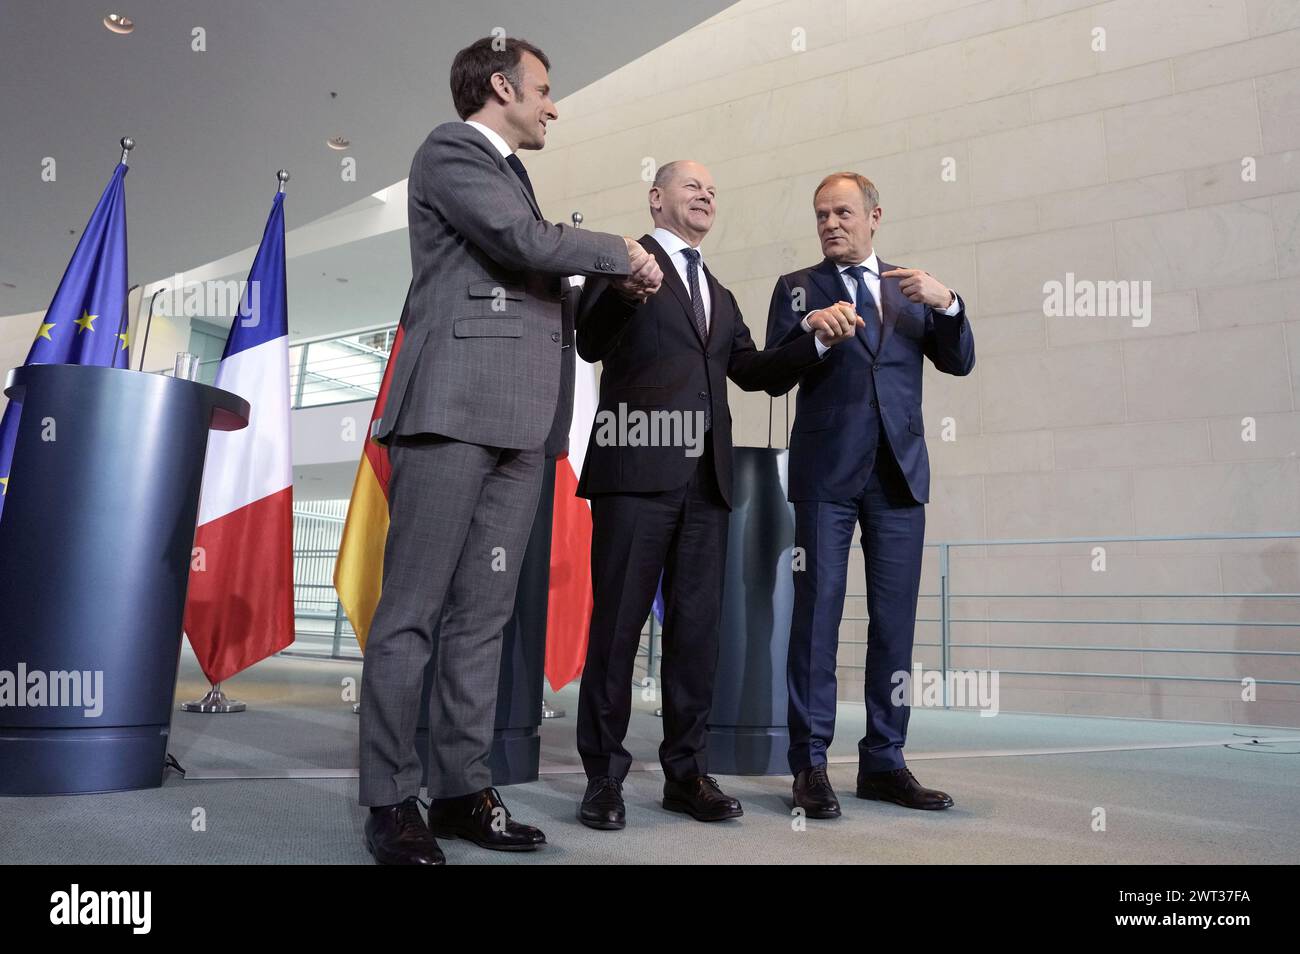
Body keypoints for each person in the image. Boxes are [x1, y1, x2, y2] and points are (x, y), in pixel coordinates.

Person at [358, 36, 663, 865]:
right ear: (501, 86)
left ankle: (460, 789)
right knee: (411, 615)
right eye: (544, 89)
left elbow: (531, 264)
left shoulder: (514, 178)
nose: (552, 105)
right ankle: (390, 800)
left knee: (482, 622)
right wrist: (620, 253)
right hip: (453, 411)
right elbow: (521, 242)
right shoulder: (453, 149)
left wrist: (604, 284)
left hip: (524, 426)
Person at [573, 161, 858, 830]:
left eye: (712, 189)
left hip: (708, 487)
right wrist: (625, 292)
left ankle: (684, 773)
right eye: (691, 185)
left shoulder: (721, 296)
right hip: (633, 475)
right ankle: (604, 780)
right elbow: (589, 340)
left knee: (696, 636)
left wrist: (812, 337)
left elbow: (755, 375)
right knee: (617, 631)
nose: (706, 194)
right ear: (656, 198)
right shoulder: (624, 264)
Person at [765, 172, 974, 819]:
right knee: (817, 623)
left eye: (843, 212)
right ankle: (811, 766)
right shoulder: (797, 288)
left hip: (899, 478)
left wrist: (949, 303)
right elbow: (772, 374)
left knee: (895, 628)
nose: (831, 223)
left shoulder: (910, 289)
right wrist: (815, 337)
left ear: (874, 215)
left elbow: (960, 360)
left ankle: (884, 761)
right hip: (827, 476)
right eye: (821, 214)